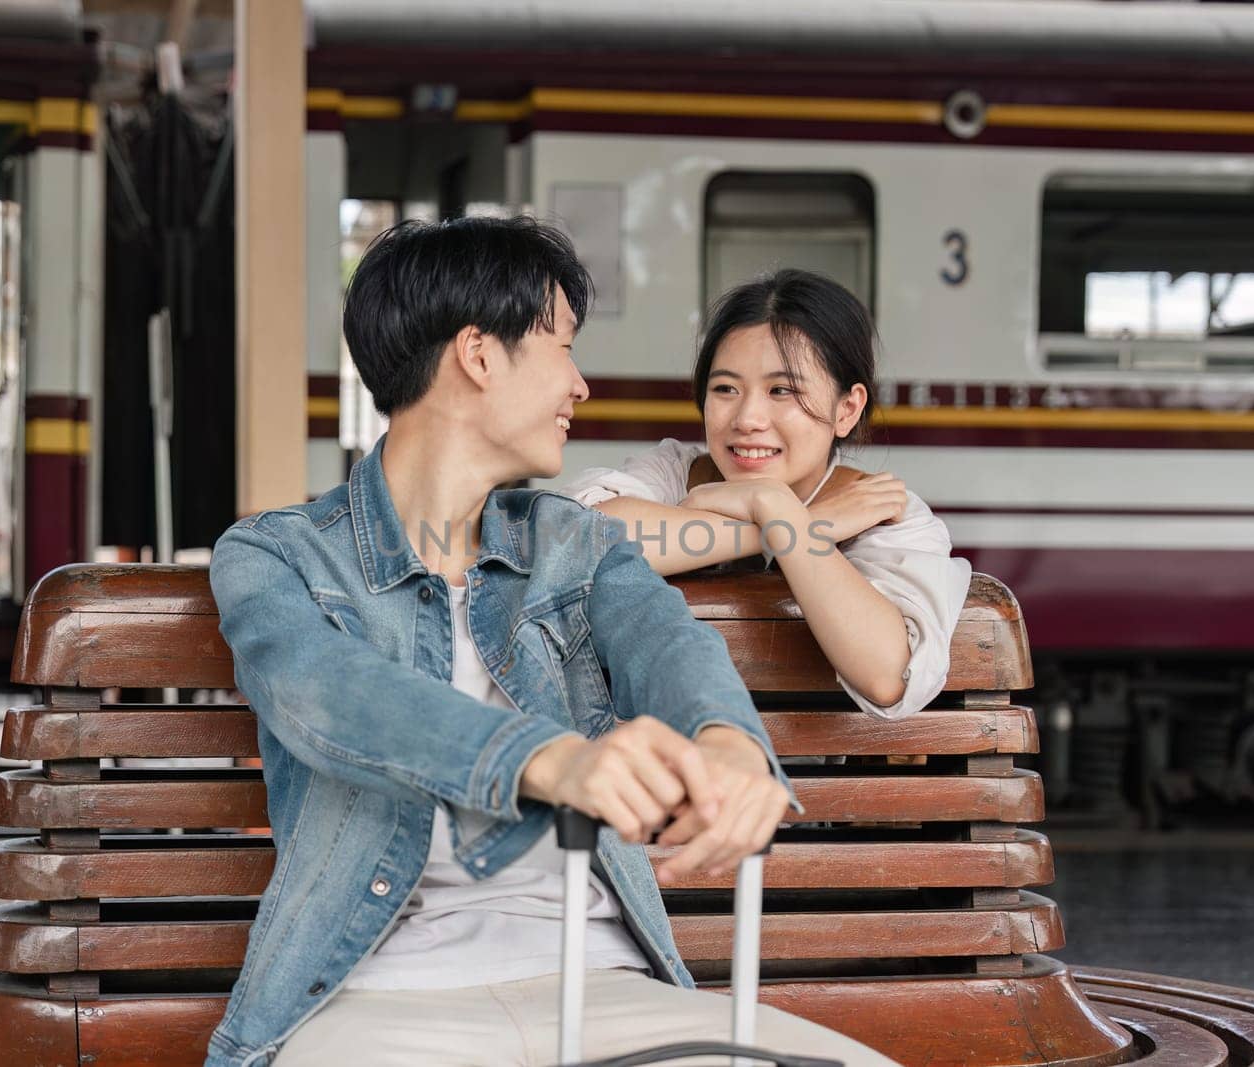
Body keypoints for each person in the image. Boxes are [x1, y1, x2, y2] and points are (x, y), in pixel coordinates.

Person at [205, 219, 898, 1067]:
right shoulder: (275, 555)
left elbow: (667, 644)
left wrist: (729, 742)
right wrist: (549, 761)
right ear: (479, 355)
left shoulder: (576, 542)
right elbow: (329, 694)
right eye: (562, 345)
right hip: (377, 996)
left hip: (602, 980)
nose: (579, 383)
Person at [563, 270, 971, 720]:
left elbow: (886, 674)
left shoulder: (884, 512)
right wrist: (795, 526)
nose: (748, 417)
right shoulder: (671, 474)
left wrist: (777, 510)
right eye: (725, 389)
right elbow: (578, 543)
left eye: (782, 390)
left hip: (817, 789)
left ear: (847, 409)